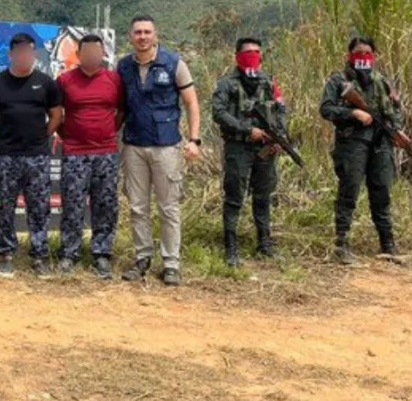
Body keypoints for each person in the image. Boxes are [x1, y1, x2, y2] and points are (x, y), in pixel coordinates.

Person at [117, 15, 201, 286]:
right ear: (130, 36)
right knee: (138, 207)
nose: (142, 36)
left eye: (147, 32)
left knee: (168, 208)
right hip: (134, 145)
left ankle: (171, 264)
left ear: (156, 35)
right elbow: (119, 107)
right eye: (137, 32)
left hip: (167, 147)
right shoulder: (123, 67)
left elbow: (191, 103)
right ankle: (142, 258)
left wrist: (194, 139)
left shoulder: (175, 64)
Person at [319, 37, 407, 265]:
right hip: (352, 143)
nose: (363, 57)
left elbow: (394, 110)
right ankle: (341, 245)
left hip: (380, 143)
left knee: (382, 192)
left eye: (367, 53)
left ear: (374, 55)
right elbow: (326, 109)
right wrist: (353, 114)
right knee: (349, 192)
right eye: (358, 53)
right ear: (349, 55)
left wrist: (396, 131)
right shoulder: (339, 81)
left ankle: (388, 245)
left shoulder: (382, 81)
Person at [0, 33, 62, 279]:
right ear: (11, 54)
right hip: (6, 155)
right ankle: (6, 255)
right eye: (19, 51)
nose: (24, 56)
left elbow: (56, 115)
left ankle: (40, 255)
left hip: (37, 156)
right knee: (5, 206)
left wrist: (43, 136)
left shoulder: (46, 83)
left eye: (29, 52)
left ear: (34, 54)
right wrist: (4, 134)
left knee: (39, 207)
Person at [211, 37, 286, 268]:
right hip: (239, 146)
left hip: (265, 147)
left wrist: (279, 137)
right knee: (234, 196)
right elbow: (218, 112)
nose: (253, 55)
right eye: (248, 52)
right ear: (237, 56)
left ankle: (264, 243)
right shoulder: (226, 83)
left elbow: (280, 109)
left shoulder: (268, 81)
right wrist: (247, 129)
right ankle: (231, 247)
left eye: (257, 52)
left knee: (263, 196)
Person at [56, 34, 122, 279]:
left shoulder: (114, 80)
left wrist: (106, 133)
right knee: (72, 204)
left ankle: (102, 254)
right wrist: (70, 135)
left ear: (102, 53)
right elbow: (56, 114)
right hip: (75, 153)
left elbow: (121, 112)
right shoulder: (64, 81)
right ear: (79, 54)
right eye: (87, 51)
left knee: (105, 205)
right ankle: (69, 253)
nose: (92, 55)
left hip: (106, 152)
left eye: (97, 51)